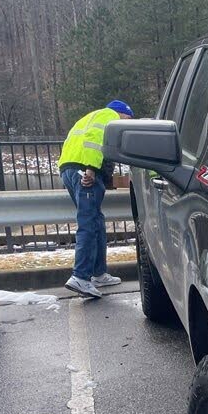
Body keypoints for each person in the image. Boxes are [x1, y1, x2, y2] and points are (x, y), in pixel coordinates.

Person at [58, 100, 134, 298]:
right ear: (122, 114)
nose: (128, 123)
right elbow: (95, 139)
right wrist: (91, 169)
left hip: (69, 169)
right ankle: (80, 277)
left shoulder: (89, 117)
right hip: (85, 171)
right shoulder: (109, 117)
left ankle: (98, 273)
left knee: (96, 221)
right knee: (89, 223)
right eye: (128, 119)